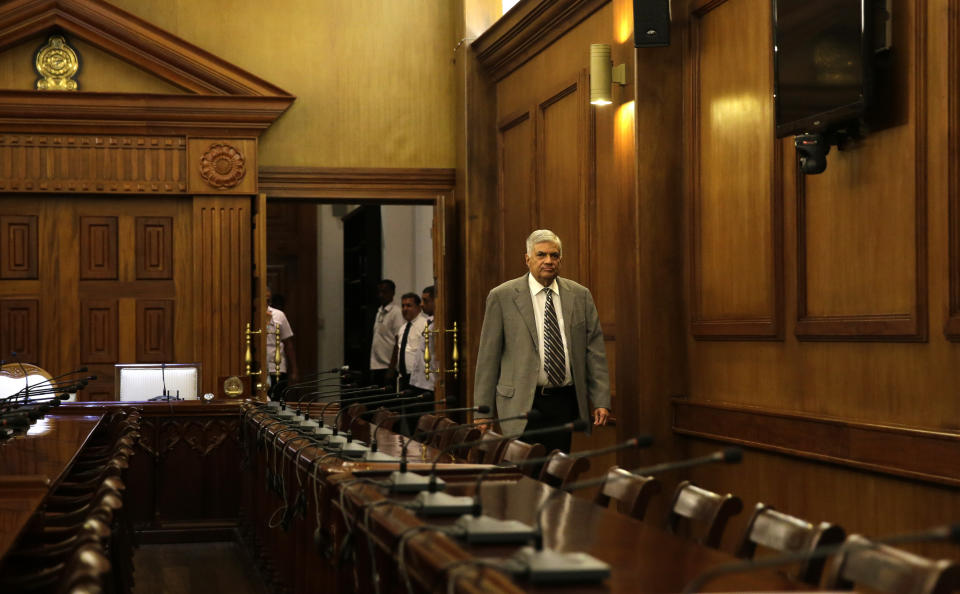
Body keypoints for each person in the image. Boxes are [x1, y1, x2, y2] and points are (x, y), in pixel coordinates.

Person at [473, 229, 611, 454]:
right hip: (521, 404)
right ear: (527, 259)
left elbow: (594, 351)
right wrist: (483, 412)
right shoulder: (502, 296)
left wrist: (601, 399)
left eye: (554, 255)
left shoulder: (580, 295)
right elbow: (488, 358)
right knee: (522, 473)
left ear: (560, 259)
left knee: (556, 472)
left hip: (563, 402)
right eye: (541, 255)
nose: (549, 261)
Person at [266, 286, 298, 401]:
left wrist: (294, 370)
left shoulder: (279, 315)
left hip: (277, 366)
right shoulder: (249, 314)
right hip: (258, 366)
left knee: (277, 401)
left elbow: (288, 343)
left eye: (268, 299)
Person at [369, 279, 403, 387]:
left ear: (392, 293)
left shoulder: (396, 312)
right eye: (379, 292)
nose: (381, 295)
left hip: (388, 366)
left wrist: (391, 369)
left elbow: (398, 341)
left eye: (384, 292)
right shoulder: (379, 311)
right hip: (376, 365)